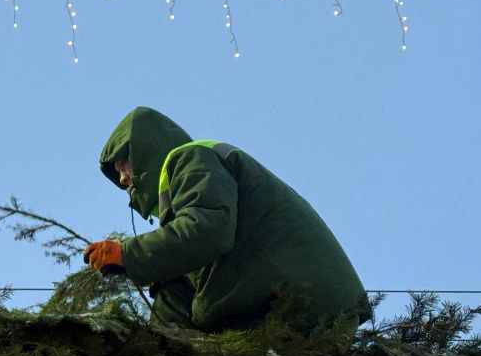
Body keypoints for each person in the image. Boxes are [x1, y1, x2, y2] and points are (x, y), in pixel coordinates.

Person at [84, 107, 367, 334]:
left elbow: (205, 231)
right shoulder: (192, 181)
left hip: (299, 302)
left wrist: (126, 253)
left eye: (124, 165)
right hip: (299, 304)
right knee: (170, 279)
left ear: (146, 149)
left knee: (170, 280)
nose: (123, 179)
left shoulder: (191, 158)